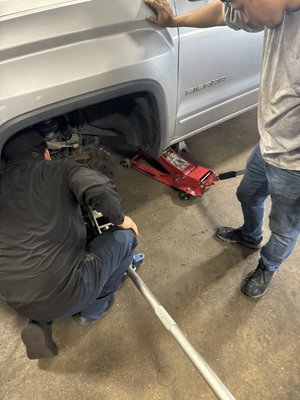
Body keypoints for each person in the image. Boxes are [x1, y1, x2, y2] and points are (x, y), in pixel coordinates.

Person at [145, 0, 300, 298]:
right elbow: (221, 11)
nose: (244, 18)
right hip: (269, 142)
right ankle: (251, 236)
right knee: (247, 194)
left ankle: (268, 265)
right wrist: (173, 22)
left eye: (242, 6)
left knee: (285, 225)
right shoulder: (269, 9)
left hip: (295, 166)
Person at [0, 130, 139, 359]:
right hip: (68, 294)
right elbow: (99, 188)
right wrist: (122, 220)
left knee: (35, 260)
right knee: (126, 238)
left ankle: (39, 322)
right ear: (46, 152)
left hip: (15, 299)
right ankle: (92, 311)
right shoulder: (59, 169)